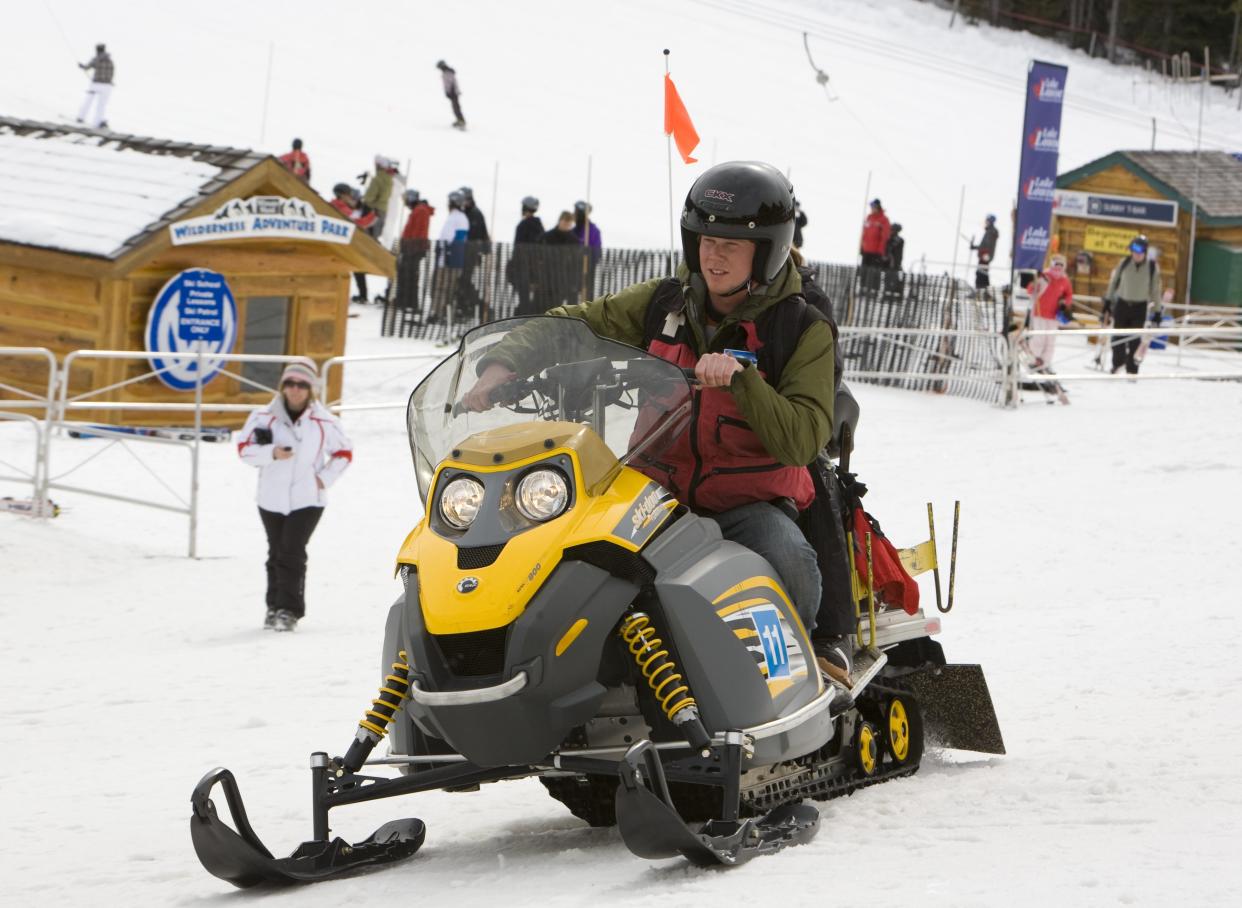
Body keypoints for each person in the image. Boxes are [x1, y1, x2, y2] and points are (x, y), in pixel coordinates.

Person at [463, 161, 851, 679]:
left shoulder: (800, 326)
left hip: (747, 499)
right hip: (654, 494)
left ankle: (792, 671)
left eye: (731, 245)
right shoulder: (668, 303)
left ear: (769, 250)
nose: (714, 255)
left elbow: (802, 442)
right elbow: (577, 324)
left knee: (789, 557)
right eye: (705, 240)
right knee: (568, 557)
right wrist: (501, 366)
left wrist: (743, 380)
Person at [237, 361, 353, 632]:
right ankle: (273, 607)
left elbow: (345, 452)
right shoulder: (262, 417)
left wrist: (322, 479)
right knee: (275, 552)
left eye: (302, 385)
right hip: (270, 498)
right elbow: (243, 449)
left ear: (310, 389)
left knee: (291, 552)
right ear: (282, 386)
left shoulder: (324, 421)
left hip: (308, 500)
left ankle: (290, 610)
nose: (295, 390)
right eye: (290, 383)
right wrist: (271, 453)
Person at [1104, 235, 1162, 376]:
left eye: (1139, 251)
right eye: (1133, 251)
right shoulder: (1124, 263)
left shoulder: (1152, 267)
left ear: (1145, 252)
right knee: (1118, 338)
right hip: (1122, 304)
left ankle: (1132, 369)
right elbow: (1114, 282)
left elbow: (1155, 290)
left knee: (1134, 340)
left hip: (1139, 307)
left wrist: (1157, 311)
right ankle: (1117, 364)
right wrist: (1108, 301)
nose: (1136, 254)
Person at [429, 190, 470, 323]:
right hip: (451, 260)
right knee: (445, 288)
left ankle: (438, 314)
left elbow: (451, 240)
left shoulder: (456, 218)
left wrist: (446, 257)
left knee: (443, 288)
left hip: (448, 261)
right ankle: (438, 313)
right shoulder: (459, 217)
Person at [1028, 253, 1073, 369]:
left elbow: (1069, 295)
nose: (1058, 268)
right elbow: (1030, 290)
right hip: (1040, 313)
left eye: (1061, 265)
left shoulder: (1064, 280)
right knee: (1039, 338)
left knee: (1050, 340)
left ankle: (1045, 363)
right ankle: (1033, 359)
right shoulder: (1044, 276)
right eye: (1056, 264)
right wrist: (1034, 283)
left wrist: (1064, 303)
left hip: (1054, 315)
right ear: (1052, 264)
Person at [397, 189, 434, 313]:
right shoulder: (418, 210)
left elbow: (418, 231)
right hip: (412, 248)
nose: (405, 202)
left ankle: (411, 303)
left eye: (406, 199)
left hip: (413, 249)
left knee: (410, 276)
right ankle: (405, 301)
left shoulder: (421, 210)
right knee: (407, 275)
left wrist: (410, 247)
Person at [456, 186, 490, 319]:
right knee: (463, 280)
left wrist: (481, 252)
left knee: (464, 280)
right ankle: (466, 306)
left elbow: (478, 235)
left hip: (471, 254)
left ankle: (472, 306)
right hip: (466, 254)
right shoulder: (467, 212)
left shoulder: (475, 213)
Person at [509, 196, 545, 316]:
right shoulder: (539, 226)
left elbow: (519, 249)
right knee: (528, 300)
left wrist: (513, 267)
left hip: (523, 269)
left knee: (524, 300)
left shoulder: (523, 226)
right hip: (535, 269)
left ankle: (522, 320)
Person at [540, 210, 579, 311]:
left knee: (556, 309)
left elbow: (575, 262)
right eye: (565, 222)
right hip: (546, 278)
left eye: (569, 224)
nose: (566, 225)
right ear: (560, 221)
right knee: (542, 307)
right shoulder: (546, 237)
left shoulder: (574, 240)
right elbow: (539, 257)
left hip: (562, 281)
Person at [76, 43, 114, 129]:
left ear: (97, 50)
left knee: (88, 100)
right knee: (101, 105)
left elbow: (86, 67)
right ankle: (97, 122)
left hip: (96, 84)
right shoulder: (110, 60)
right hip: (107, 86)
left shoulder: (96, 59)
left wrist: (81, 66)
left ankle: (80, 117)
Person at [859, 198, 890, 296]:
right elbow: (864, 233)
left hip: (876, 252)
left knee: (874, 271)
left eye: (873, 207)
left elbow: (884, 237)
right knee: (864, 270)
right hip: (866, 250)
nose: (872, 209)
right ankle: (863, 288)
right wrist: (862, 247)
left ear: (878, 207)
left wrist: (880, 251)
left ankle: (873, 290)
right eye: (871, 207)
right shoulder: (869, 218)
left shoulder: (884, 220)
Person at [572, 200, 602, 300]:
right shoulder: (573, 230)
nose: (574, 214)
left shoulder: (593, 230)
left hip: (586, 270)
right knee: (572, 296)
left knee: (586, 297)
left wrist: (588, 259)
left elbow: (597, 252)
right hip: (573, 271)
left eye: (576, 212)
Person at [971, 214, 999, 291]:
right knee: (982, 272)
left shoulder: (991, 232)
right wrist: (975, 247)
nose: (985, 223)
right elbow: (984, 245)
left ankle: (980, 289)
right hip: (985, 255)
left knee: (981, 272)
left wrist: (975, 247)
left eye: (987, 221)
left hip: (985, 255)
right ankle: (983, 289)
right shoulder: (990, 231)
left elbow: (986, 246)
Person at [437, 60, 466, 129]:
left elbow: (451, 83)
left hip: (453, 93)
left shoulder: (448, 72)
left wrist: (450, 92)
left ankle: (461, 121)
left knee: (456, 107)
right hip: (452, 92)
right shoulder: (446, 72)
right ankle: (459, 120)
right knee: (455, 107)